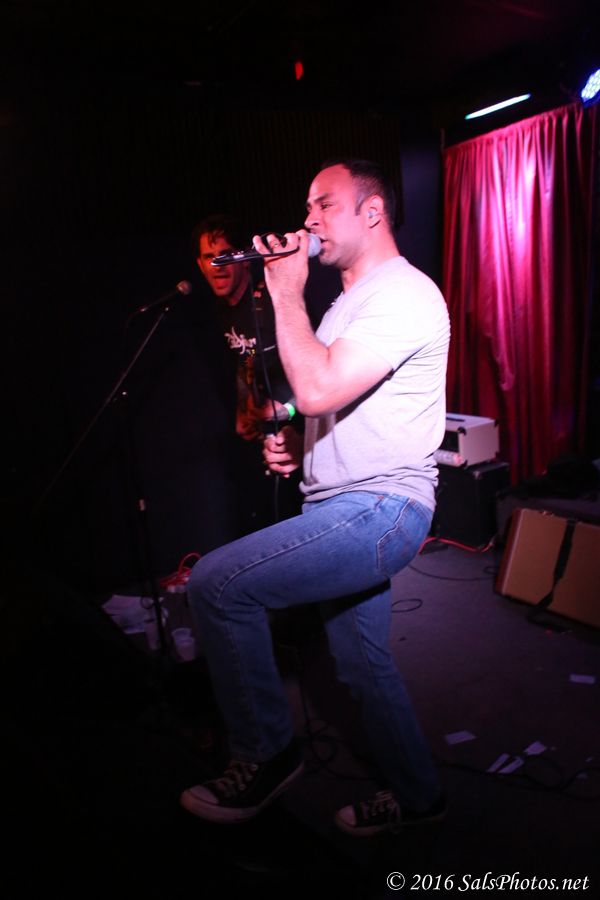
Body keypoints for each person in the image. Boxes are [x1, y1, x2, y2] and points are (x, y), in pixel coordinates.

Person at [180, 159, 451, 836]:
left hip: (381, 509)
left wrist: (284, 292)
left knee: (218, 584)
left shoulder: (404, 292)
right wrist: (297, 444)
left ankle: (266, 753)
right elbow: (328, 403)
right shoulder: (341, 308)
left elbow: (321, 387)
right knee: (361, 665)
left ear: (371, 212)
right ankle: (419, 796)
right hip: (339, 506)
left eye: (324, 204)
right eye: (307, 206)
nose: (308, 220)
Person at [192, 213, 303, 532]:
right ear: (200, 265)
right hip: (265, 440)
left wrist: (288, 407)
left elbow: (320, 365)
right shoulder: (220, 311)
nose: (218, 266)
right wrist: (244, 408)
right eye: (209, 257)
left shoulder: (272, 300)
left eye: (225, 255)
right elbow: (247, 358)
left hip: (301, 431)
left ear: (243, 259)